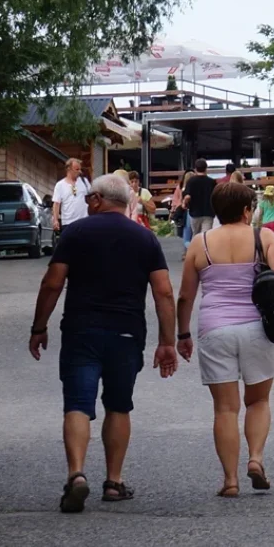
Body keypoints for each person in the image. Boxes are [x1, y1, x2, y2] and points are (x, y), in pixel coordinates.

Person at [28, 174, 178, 513]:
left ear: (96, 199)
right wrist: (168, 341)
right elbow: (164, 292)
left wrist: (39, 327)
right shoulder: (145, 238)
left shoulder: (76, 233)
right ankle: (113, 481)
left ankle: (76, 475)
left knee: (78, 403)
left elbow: (52, 283)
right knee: (118, 405)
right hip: (126, 334)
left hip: (82, 330)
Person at [176, 182, 274, 497]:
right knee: (258, 400)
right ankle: (255, 458)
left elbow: (186, 296)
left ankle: (230, 481)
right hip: (257, 327)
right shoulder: (262, 237)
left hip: (215, 330)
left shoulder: (200, 244)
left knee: (225, 409)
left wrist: (183, 334)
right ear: (247, 210)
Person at [52, 158, 90, 238]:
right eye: (77, 169)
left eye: (80, 169)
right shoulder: (60, 185)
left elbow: (92, 197)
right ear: (69, 169)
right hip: (68, 223)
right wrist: (55, 220)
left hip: (84, 222)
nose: (79, 172)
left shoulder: (84, 182)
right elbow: (56, 204)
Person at [183, 158, 217, 236]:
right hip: (208, 212)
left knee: (196, 235)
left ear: (195, 168)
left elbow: (187, 196)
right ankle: (205, 248)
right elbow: (216, 196)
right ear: (206, 168)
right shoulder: (212, 182)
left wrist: (184, 204)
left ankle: (197, 248)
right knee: (206, 236)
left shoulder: (191, 181)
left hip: (195, 213)